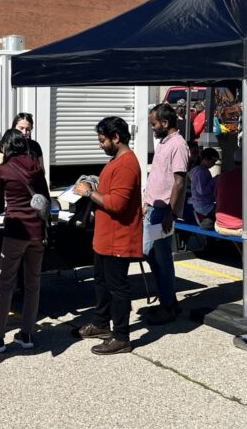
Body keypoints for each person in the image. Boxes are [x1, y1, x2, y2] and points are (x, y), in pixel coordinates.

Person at [0, 128, 51, 352]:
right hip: (37, 232)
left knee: (5, 284)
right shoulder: (36, 168)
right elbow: (45, 197)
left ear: (7, 147)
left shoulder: (2, 171)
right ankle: (26, 334)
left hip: (15, 232)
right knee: (32, 283)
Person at [72, 117, 142, 355]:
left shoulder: (127, 165)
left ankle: (121, 337)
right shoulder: (116, 162)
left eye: (102, 140)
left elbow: (117, 204)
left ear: (116, 138)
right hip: (105, 238)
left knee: (117, 288)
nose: (100, 145)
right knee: (101, 284)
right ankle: (102, 324)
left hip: (118, 239)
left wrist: (89, 191)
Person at [141, 105, 189, 325]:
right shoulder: (163, 143)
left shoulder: (178, 145)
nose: (152, 128)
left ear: (165, 123)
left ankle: (167, 306)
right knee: (148, 252)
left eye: (154, 124)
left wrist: (170, 212)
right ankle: (169, 297)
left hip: (163, 211)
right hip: (153, 207)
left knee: (162, 259)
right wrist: (146, 200)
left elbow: (179, 180)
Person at [189, 147, 220, 227]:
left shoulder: (197, 169)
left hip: (200, 204)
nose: (214, 164)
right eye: (213, 161)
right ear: (206, 159)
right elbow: (202, 191)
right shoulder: (201, 172)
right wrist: (215, 179)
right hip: (204, 206)